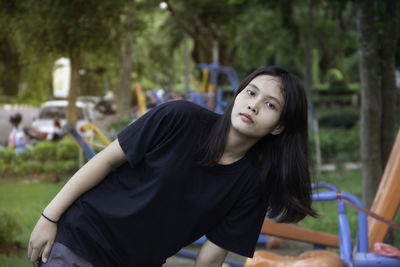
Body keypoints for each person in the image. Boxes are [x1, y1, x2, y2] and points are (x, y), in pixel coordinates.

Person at [28, 66, 317, 267]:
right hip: (82, 239)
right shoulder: (179, 117)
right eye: (251, 93)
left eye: (270, 105)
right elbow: (105, 160)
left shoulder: (254, 184)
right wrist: (49, 217)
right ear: (238, 95)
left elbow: (210, 258)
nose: (254, 105)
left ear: (279, 127)